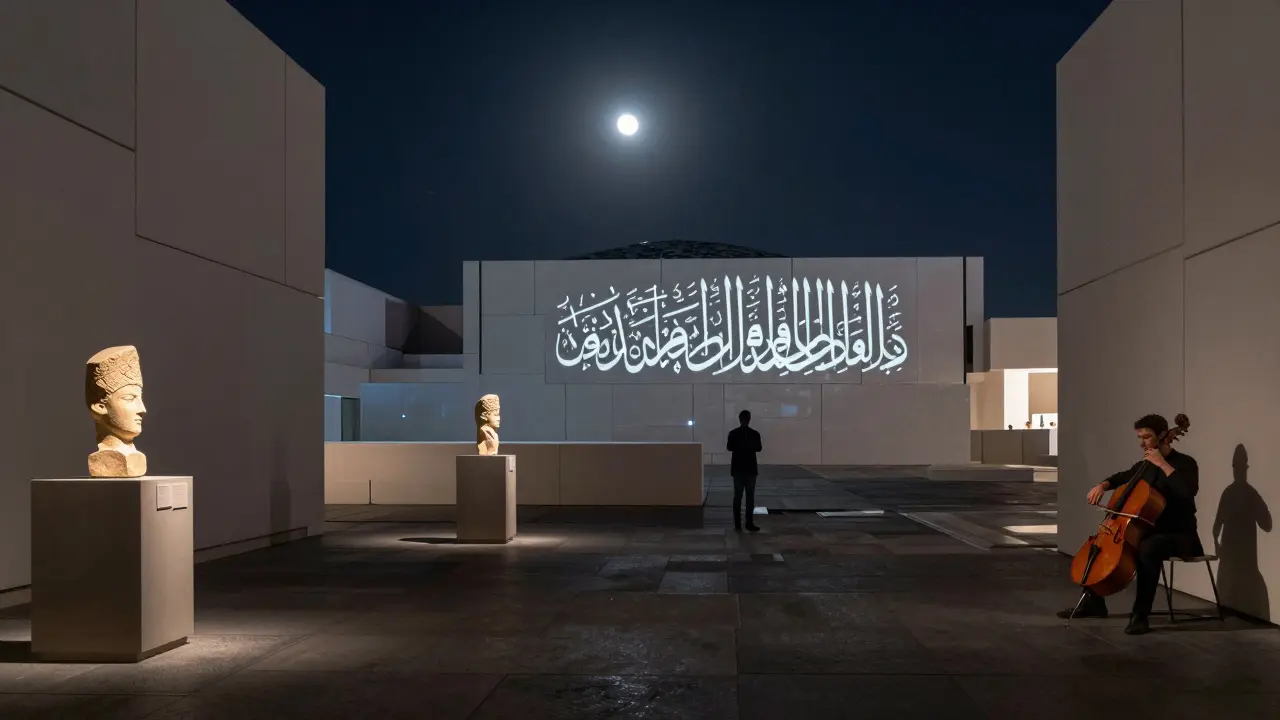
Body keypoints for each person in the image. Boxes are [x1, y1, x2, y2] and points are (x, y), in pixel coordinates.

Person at [1058, 414, 1202, 634]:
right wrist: (1103, 485)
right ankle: (1093, 602)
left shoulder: (1185, 463)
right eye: (1139, 437)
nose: (1143, 442)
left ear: (1164, 435)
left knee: (1148, 549)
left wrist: (1163, 464)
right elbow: (1123, 476)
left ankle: (1140, 615)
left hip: (1178, 534)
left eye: (1147, 437)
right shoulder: (1144, 465)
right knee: (1101, 547)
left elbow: (1187, 491)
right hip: (1146, 530)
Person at [726, 409, 762, 533]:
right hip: (750, 469)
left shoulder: (733, 433)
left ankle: (737, 524)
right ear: (749, 419)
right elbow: (759, 448)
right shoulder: (754, 434)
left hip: (738, 469)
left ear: (739, 419)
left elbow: (729, 447)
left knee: (738, 497)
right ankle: (749, 523)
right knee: (750, 498)